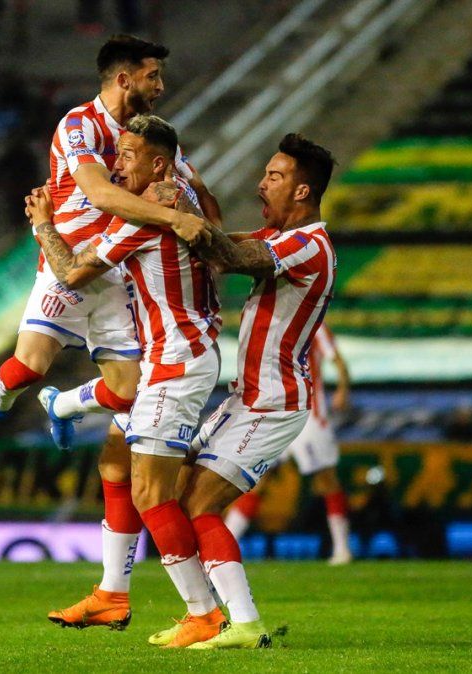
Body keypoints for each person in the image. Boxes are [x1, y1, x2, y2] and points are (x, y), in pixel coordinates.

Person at [0, 35, 220, 631]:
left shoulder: (155, 143)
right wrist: (176, 216)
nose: (161, 85)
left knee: (125, 408)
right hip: (68, 259)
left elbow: (202, 198)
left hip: (115, 270)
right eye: (153, 75)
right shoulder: (80, 125)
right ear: (124, 78)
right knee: (31, 364)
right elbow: (100, 193)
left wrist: (192, 203)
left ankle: (66, 408)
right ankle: (0, 400)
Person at [27, 115, 225, 647]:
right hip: (179, 352)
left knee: (150, 491)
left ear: (158, 163)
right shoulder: (182, 197)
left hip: (175, 360)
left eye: (129, 156)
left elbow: (71, 274)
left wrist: (43, 223)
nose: (118, 165)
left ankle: (204, 613)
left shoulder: (145, 216)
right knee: (115, 461)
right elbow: (214, 221)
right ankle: (112, 593)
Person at [176, 133, 337, 648]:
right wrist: (194, 196)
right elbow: (221, 242)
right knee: (177, 496)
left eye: (274, 176)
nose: (260, 184)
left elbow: (225, 255)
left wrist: (181, 207)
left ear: (302, 190)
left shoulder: (307, 244)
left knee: (200, 505)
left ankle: (243, 624)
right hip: (245, 398)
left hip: (274, 402)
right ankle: (210, 617)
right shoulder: (281, 238)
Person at [224, 323, 354, 565]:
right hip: (276, 416)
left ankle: (342, 548)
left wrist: (343, 389)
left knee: (326, 479)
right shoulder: (272, 322)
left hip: (309, 417)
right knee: (257, 480)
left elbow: (337, 359)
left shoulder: (315, 324)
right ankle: (223, 544)